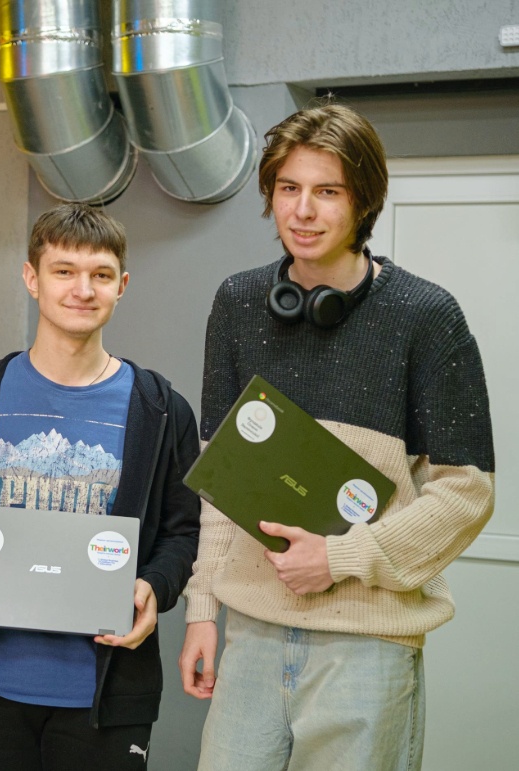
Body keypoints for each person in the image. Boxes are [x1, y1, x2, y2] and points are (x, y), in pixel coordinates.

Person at [179, 103, 495, 770]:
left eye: (327, 191)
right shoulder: (236, 304)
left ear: (363, 201)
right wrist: (201, 608)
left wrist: (343, 554)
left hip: (367, 643)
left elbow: (466, 493)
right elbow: (218, 479)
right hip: (252, 634)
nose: (302, 210)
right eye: (288, 188)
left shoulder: (425, 316)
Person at [0, 203, 201, 770]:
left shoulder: (161, 410)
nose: (82, 289)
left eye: (99, 274)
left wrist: (155, 588)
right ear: (32, 279)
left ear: (122, 285)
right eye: (63, 271)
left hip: (107, 694)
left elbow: (184, 528)